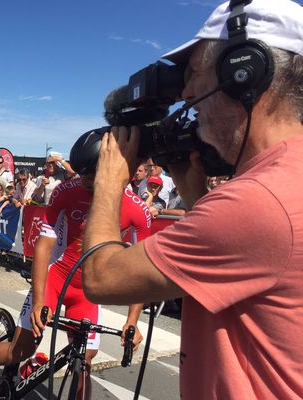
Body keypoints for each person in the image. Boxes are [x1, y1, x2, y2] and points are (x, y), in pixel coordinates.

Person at [82, 1, 303, 398]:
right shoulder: (285, 180)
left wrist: (111, 182)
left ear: (243, 73)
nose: (185, 93)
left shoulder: (258, 201)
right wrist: (194, 195)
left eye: (195, 73)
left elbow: (101, 277)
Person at [0, 132, 150, 400]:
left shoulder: (137, 210)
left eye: (90, 176)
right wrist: (38, 301)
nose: (84, 182)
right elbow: (44, 245)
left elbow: (141, 269)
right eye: (81, 175)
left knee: (85, 362)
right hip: (55, 280)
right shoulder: (66, 191)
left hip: (88, 291)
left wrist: (132, 321)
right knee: (22, 350)